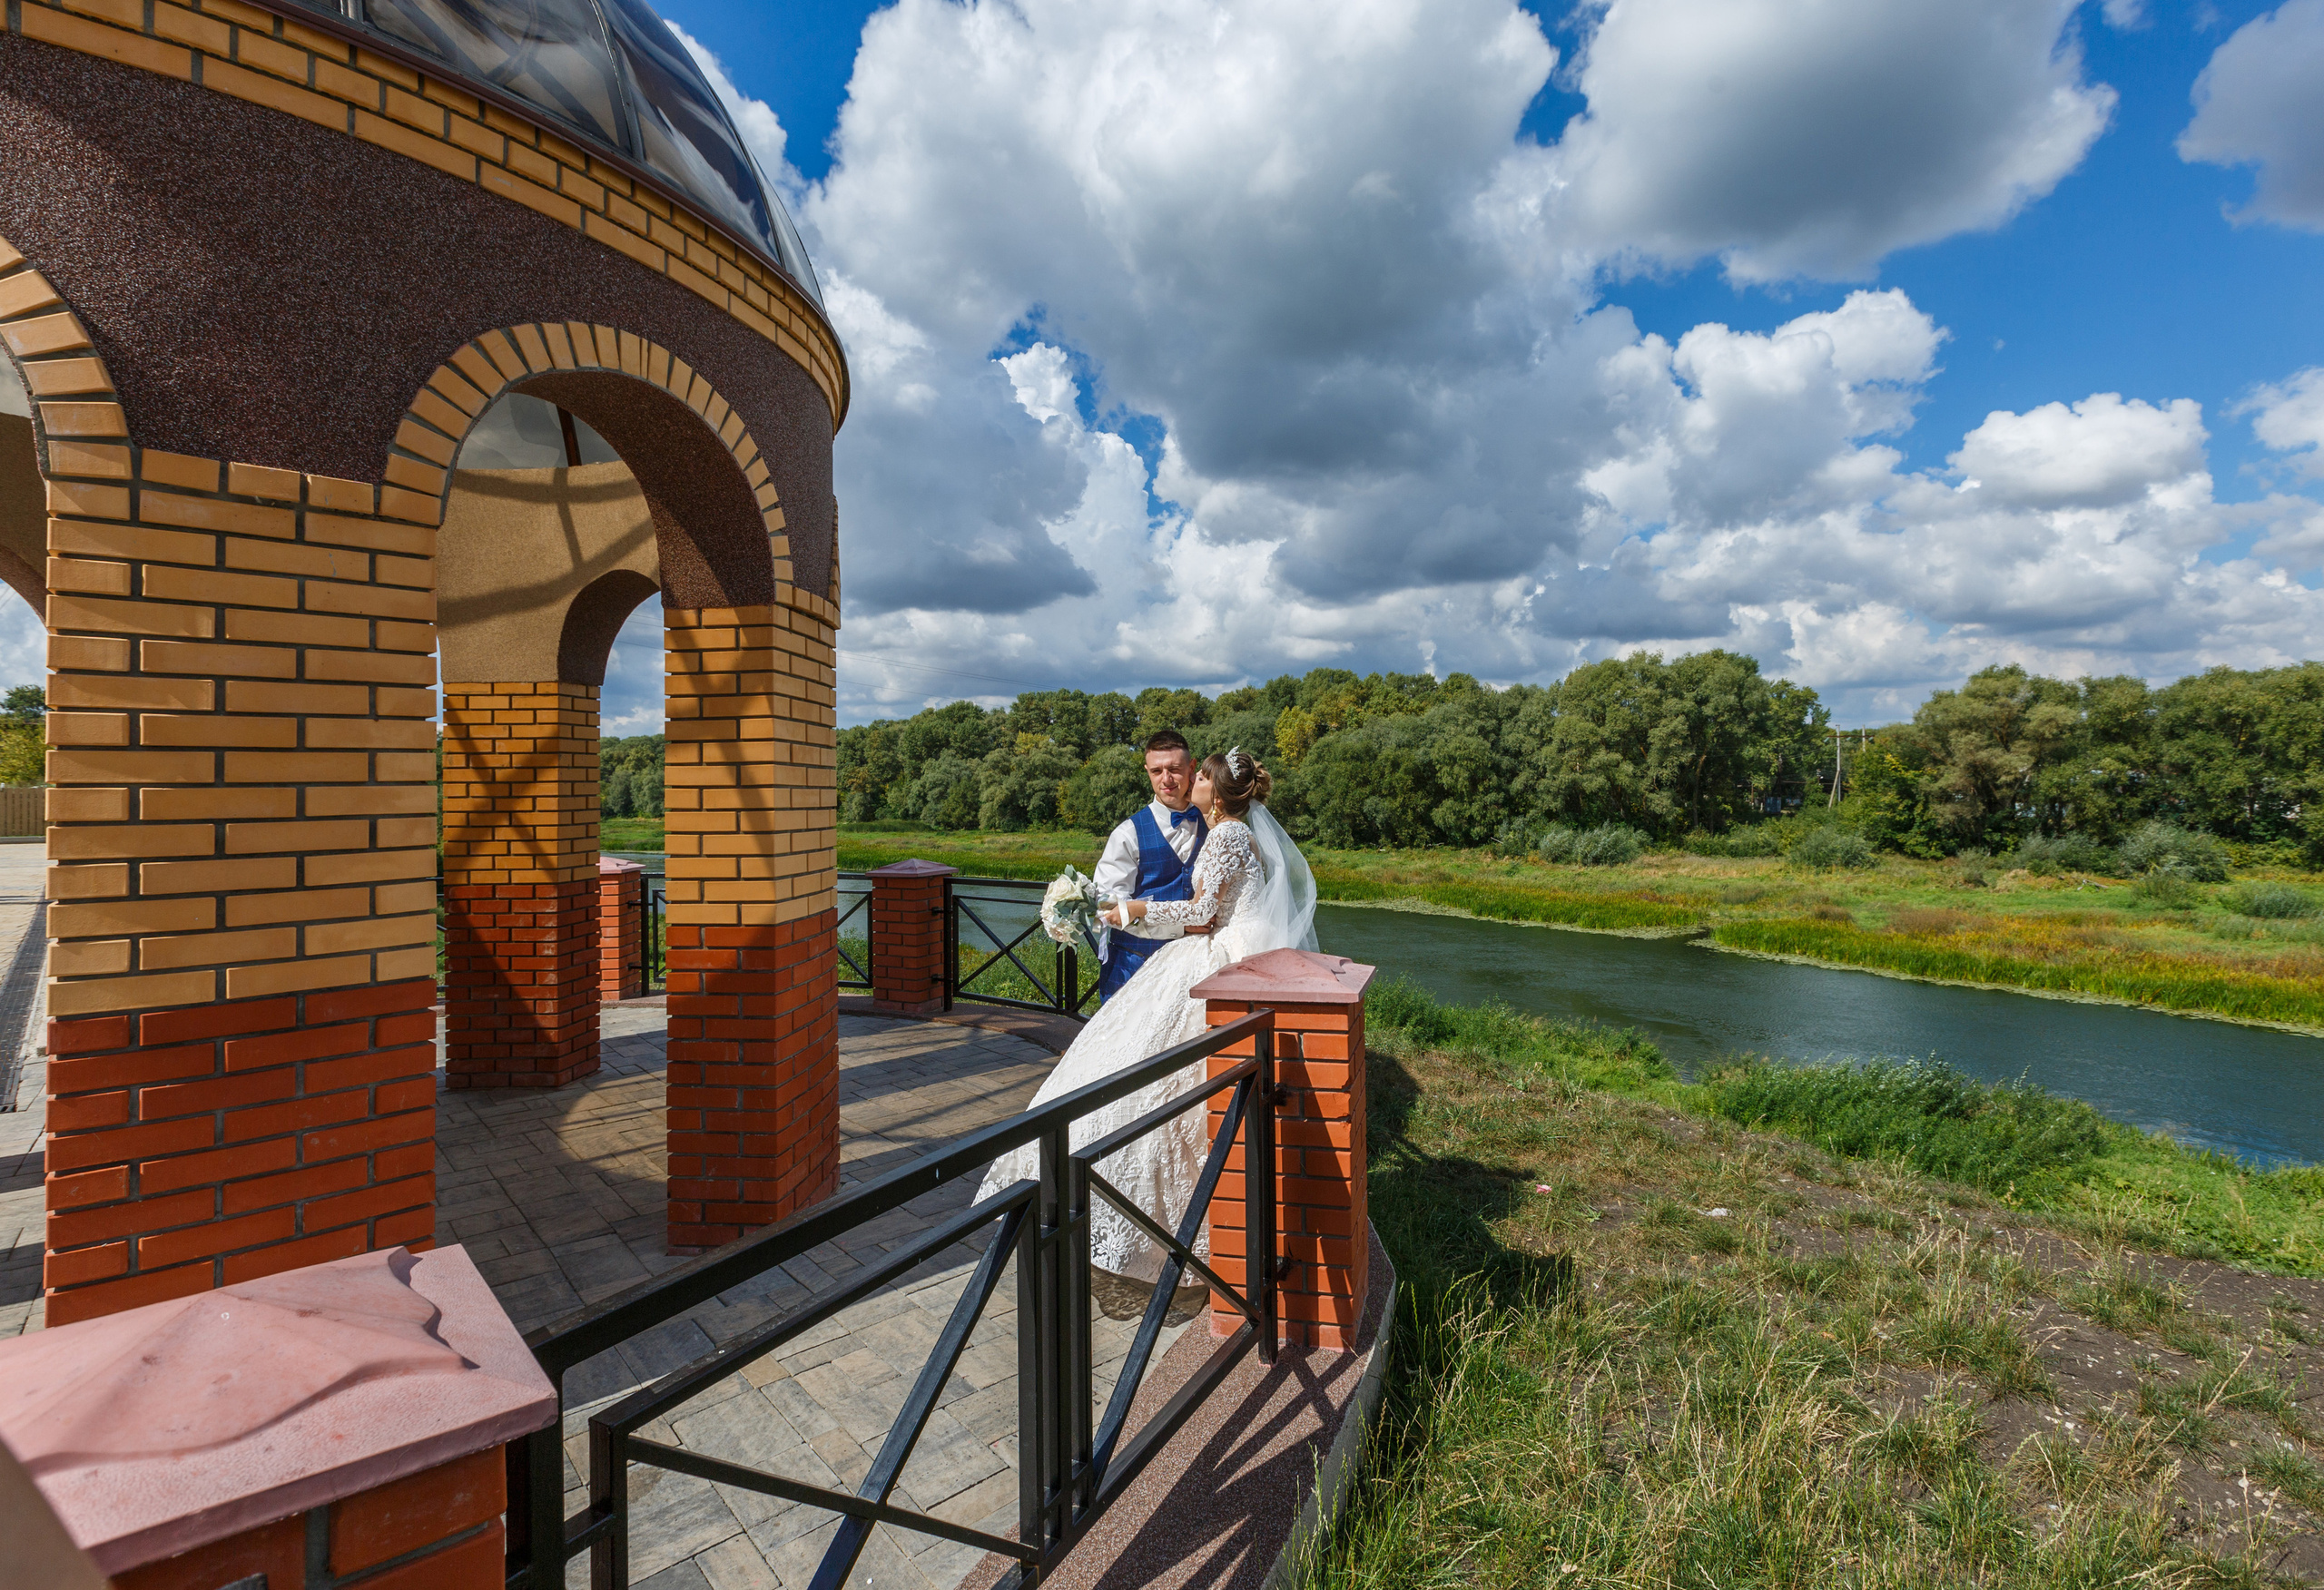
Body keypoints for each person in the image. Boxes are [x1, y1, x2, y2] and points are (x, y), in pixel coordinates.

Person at [978, 749, 1317, 1320]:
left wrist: (1129, 912)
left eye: (1200, 774)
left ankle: (1145, 1219)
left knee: (1150, 1079)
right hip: (1219, 953)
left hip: (1210, 955)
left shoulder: (1227, 834)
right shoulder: (1229, 830)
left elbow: (1204, 913)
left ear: (1213, 787)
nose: (1192, 782)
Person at [1089, 729, 1208, 1001]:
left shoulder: (1216, 826)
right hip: (1133, 971)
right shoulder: (1127, 833)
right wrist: (1181, 926)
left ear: (1192, 767)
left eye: (1174, 769)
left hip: (1195, 973)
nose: (1166, 780)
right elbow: (1107, 907)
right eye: (1156, 771)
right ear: (1147, 771)